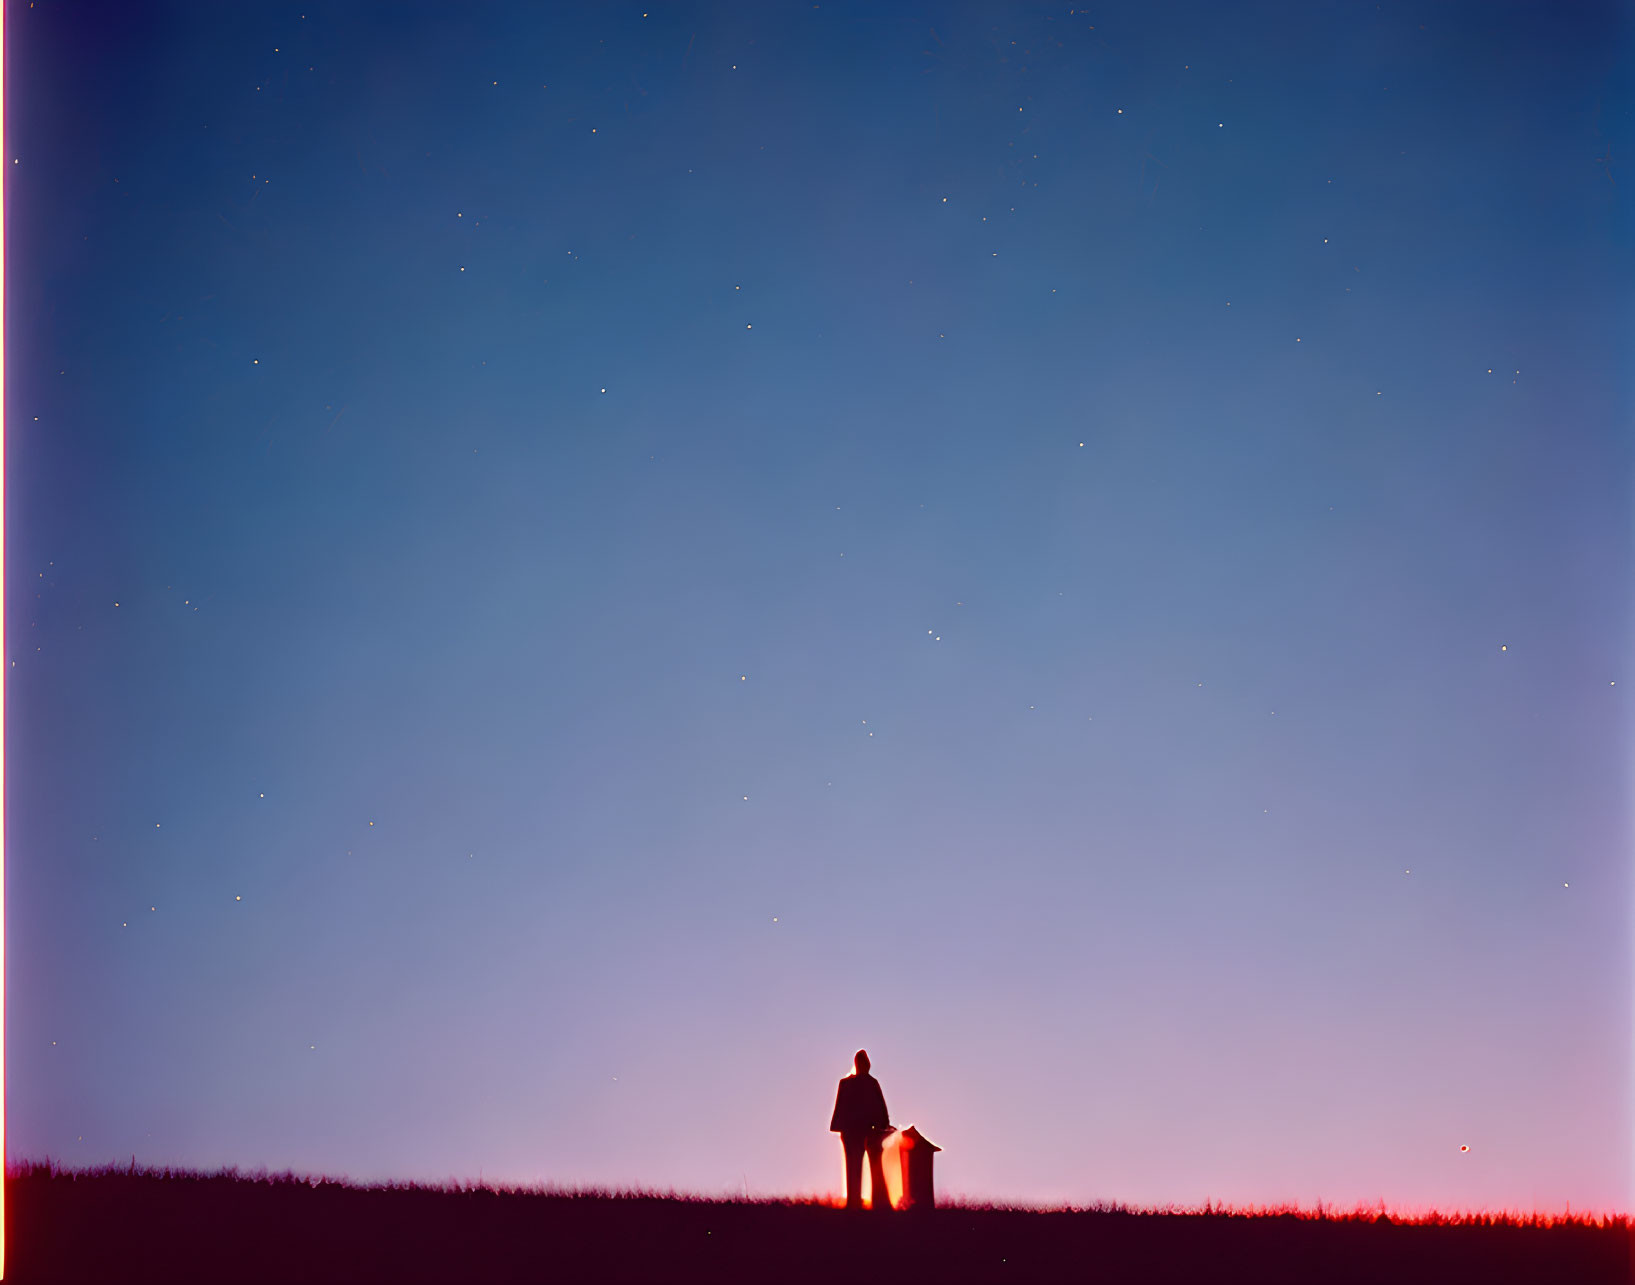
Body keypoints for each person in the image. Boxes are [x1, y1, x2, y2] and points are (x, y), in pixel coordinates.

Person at [830, 1049, 893, 1211]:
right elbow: (881, 1108)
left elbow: (840, 1109)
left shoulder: (846, 1083)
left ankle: (854, 1204)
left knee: (853, 1168)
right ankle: (876, 1205)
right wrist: (884, 1125)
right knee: (872, 1167)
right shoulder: (871, 1083)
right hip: (866, 1132)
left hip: (851, 1132)